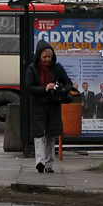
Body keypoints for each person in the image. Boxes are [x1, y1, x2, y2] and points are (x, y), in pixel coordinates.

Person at [25, 40, 73, 174]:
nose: (47, 59)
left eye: (50, 57)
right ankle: (40, 162)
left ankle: (50, 164)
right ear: (39, 56)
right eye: (44, 57)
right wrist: (45, 88)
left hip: (53, 104)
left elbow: (68, 82)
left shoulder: (57, 68)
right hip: (38, 105)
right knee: (38, 135)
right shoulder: (32, 69)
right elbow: (29, 87)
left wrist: (62, 89)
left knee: (51, 136)